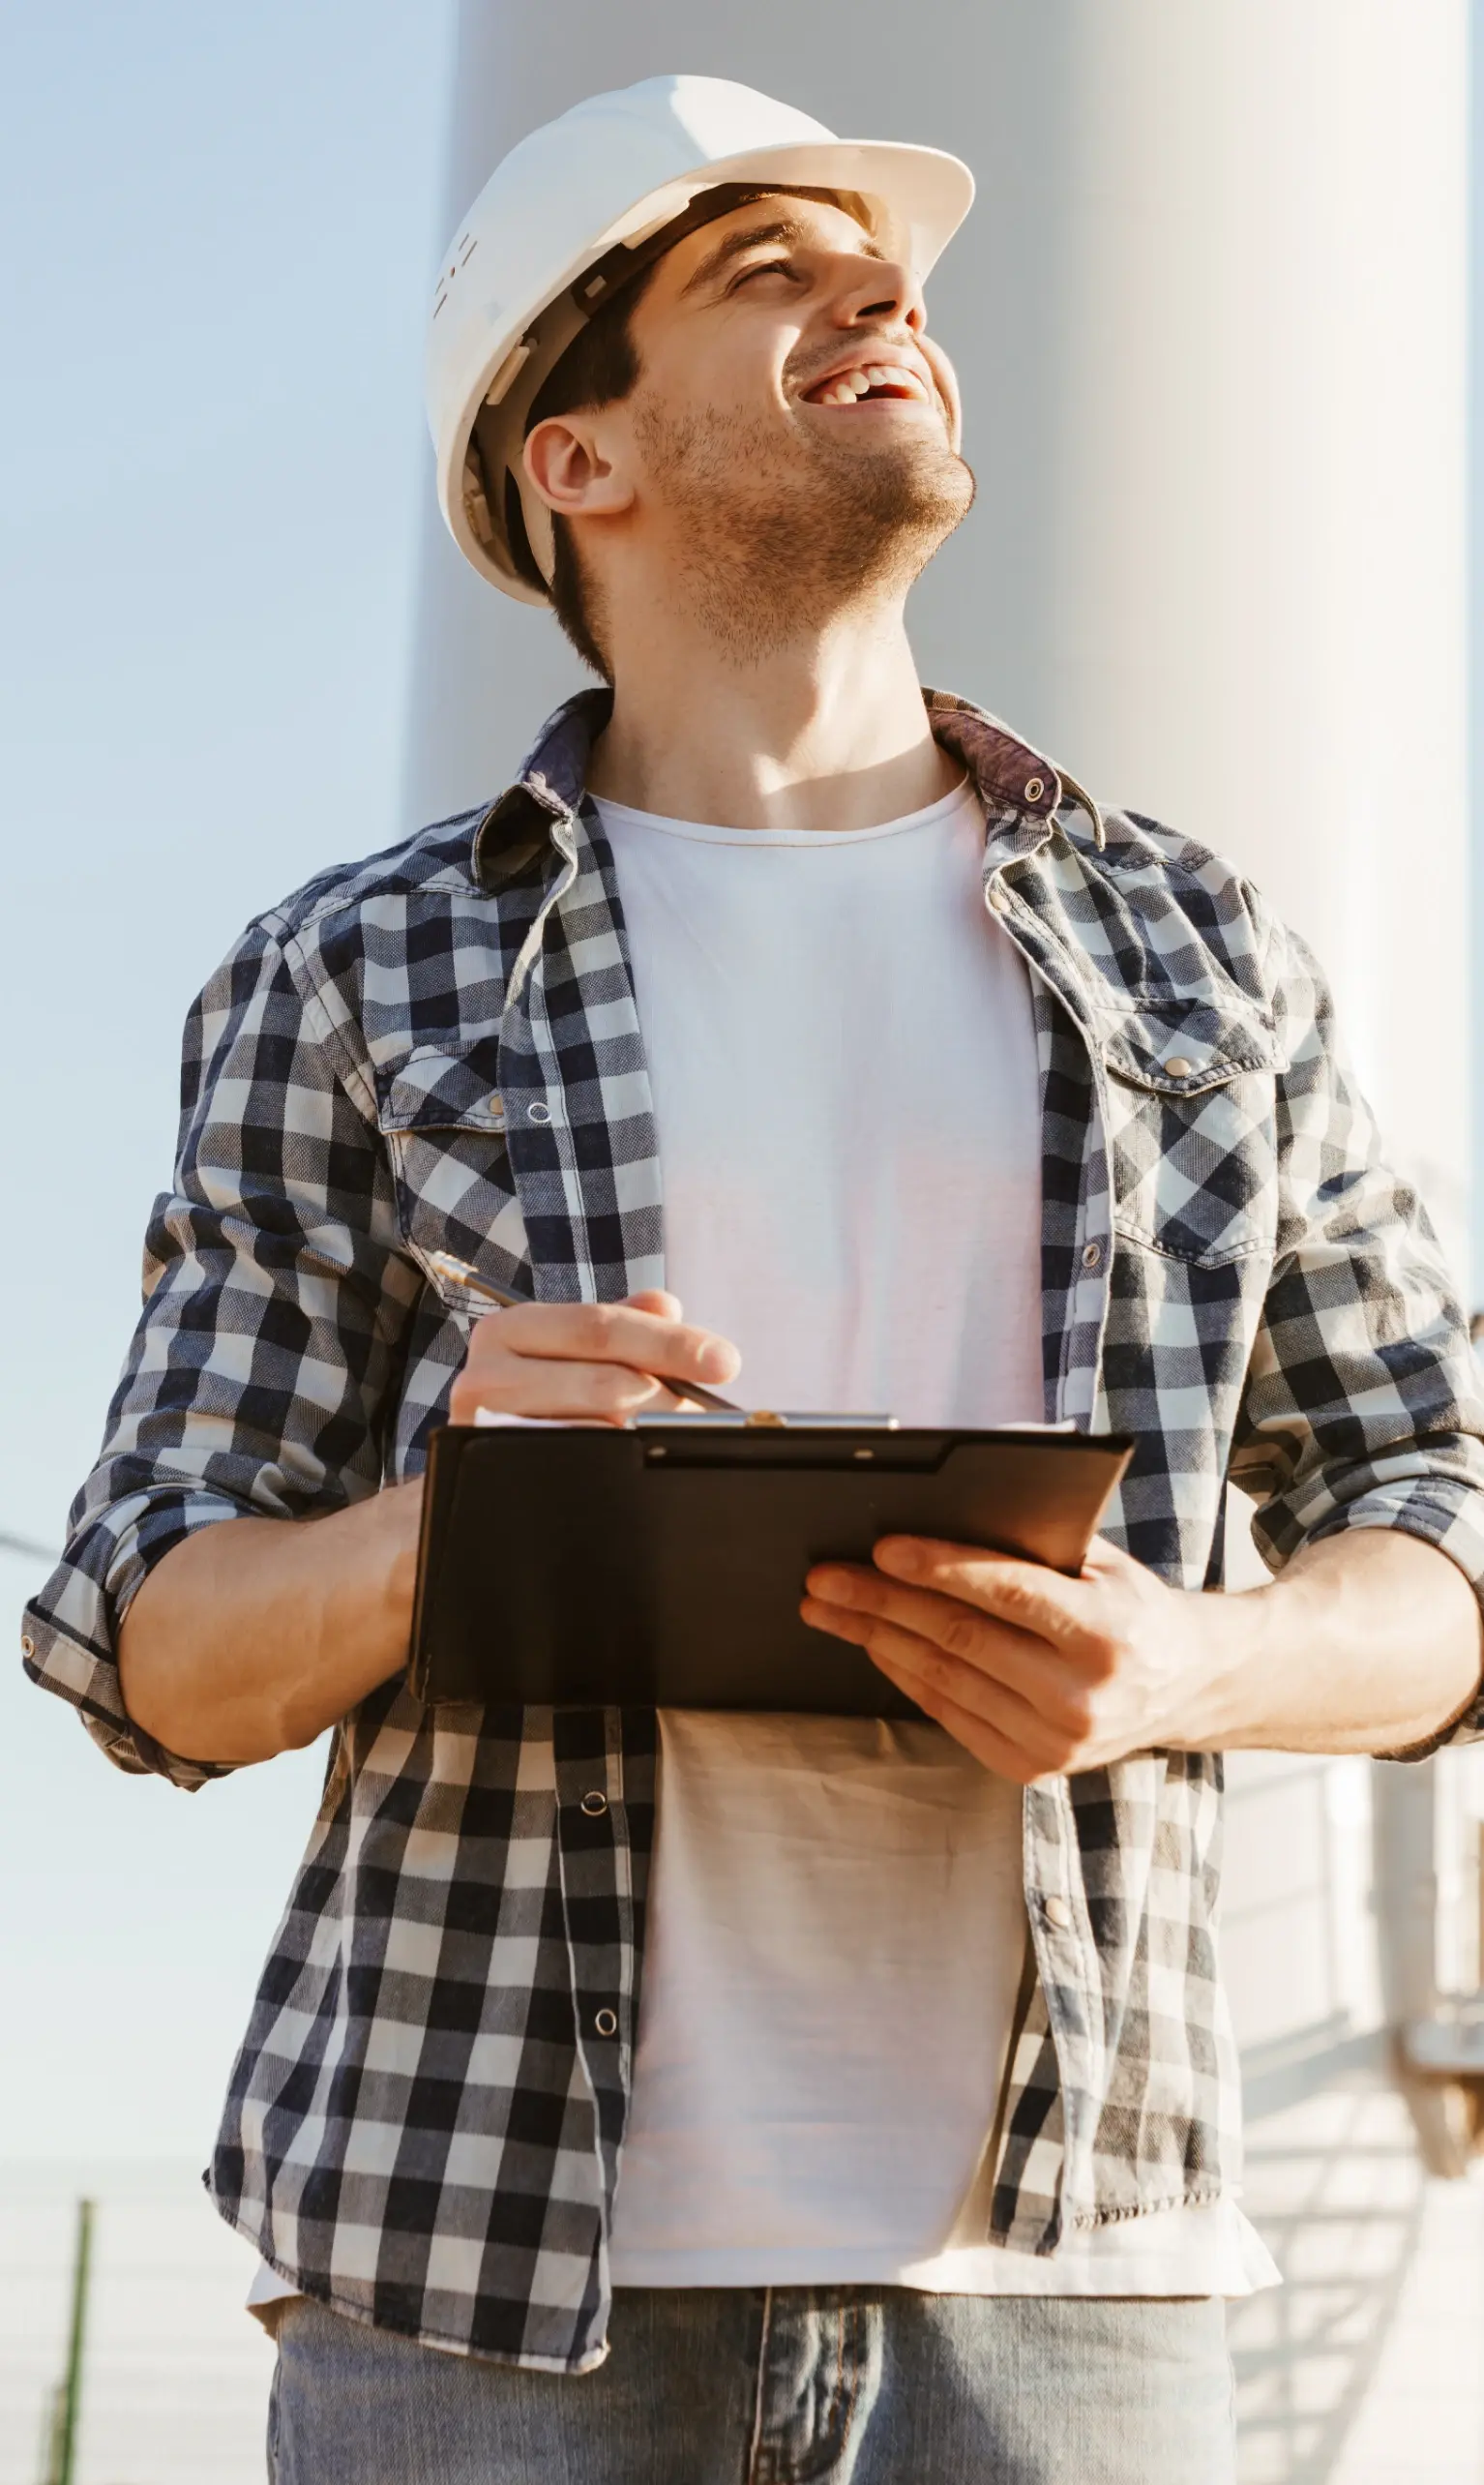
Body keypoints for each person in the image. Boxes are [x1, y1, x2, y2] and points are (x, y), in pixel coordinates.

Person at [22, 73, 1484, 2485]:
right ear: (569, 458)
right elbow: (148, 1644)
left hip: (1073, 2306)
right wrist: (447, 1515)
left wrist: (1183, 1664)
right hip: (467, 2296)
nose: (879, 291)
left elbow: (1452, 1520)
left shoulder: (1198, 956)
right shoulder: (357, 975)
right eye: (763, 272)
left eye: (880, 264)